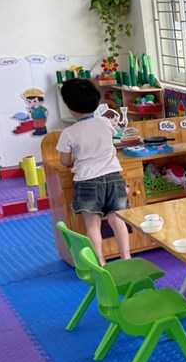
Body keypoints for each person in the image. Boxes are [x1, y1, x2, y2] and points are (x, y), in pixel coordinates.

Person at [56, 78, 131, 265]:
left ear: (69, 107)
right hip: (113, 177)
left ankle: (100, 263)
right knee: (118, 220)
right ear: (97, 103)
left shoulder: (69, 133)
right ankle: (126, 257)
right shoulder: (105, 122)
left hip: (87, 180)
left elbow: (64, 161)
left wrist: (73, 159)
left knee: (92, 225)